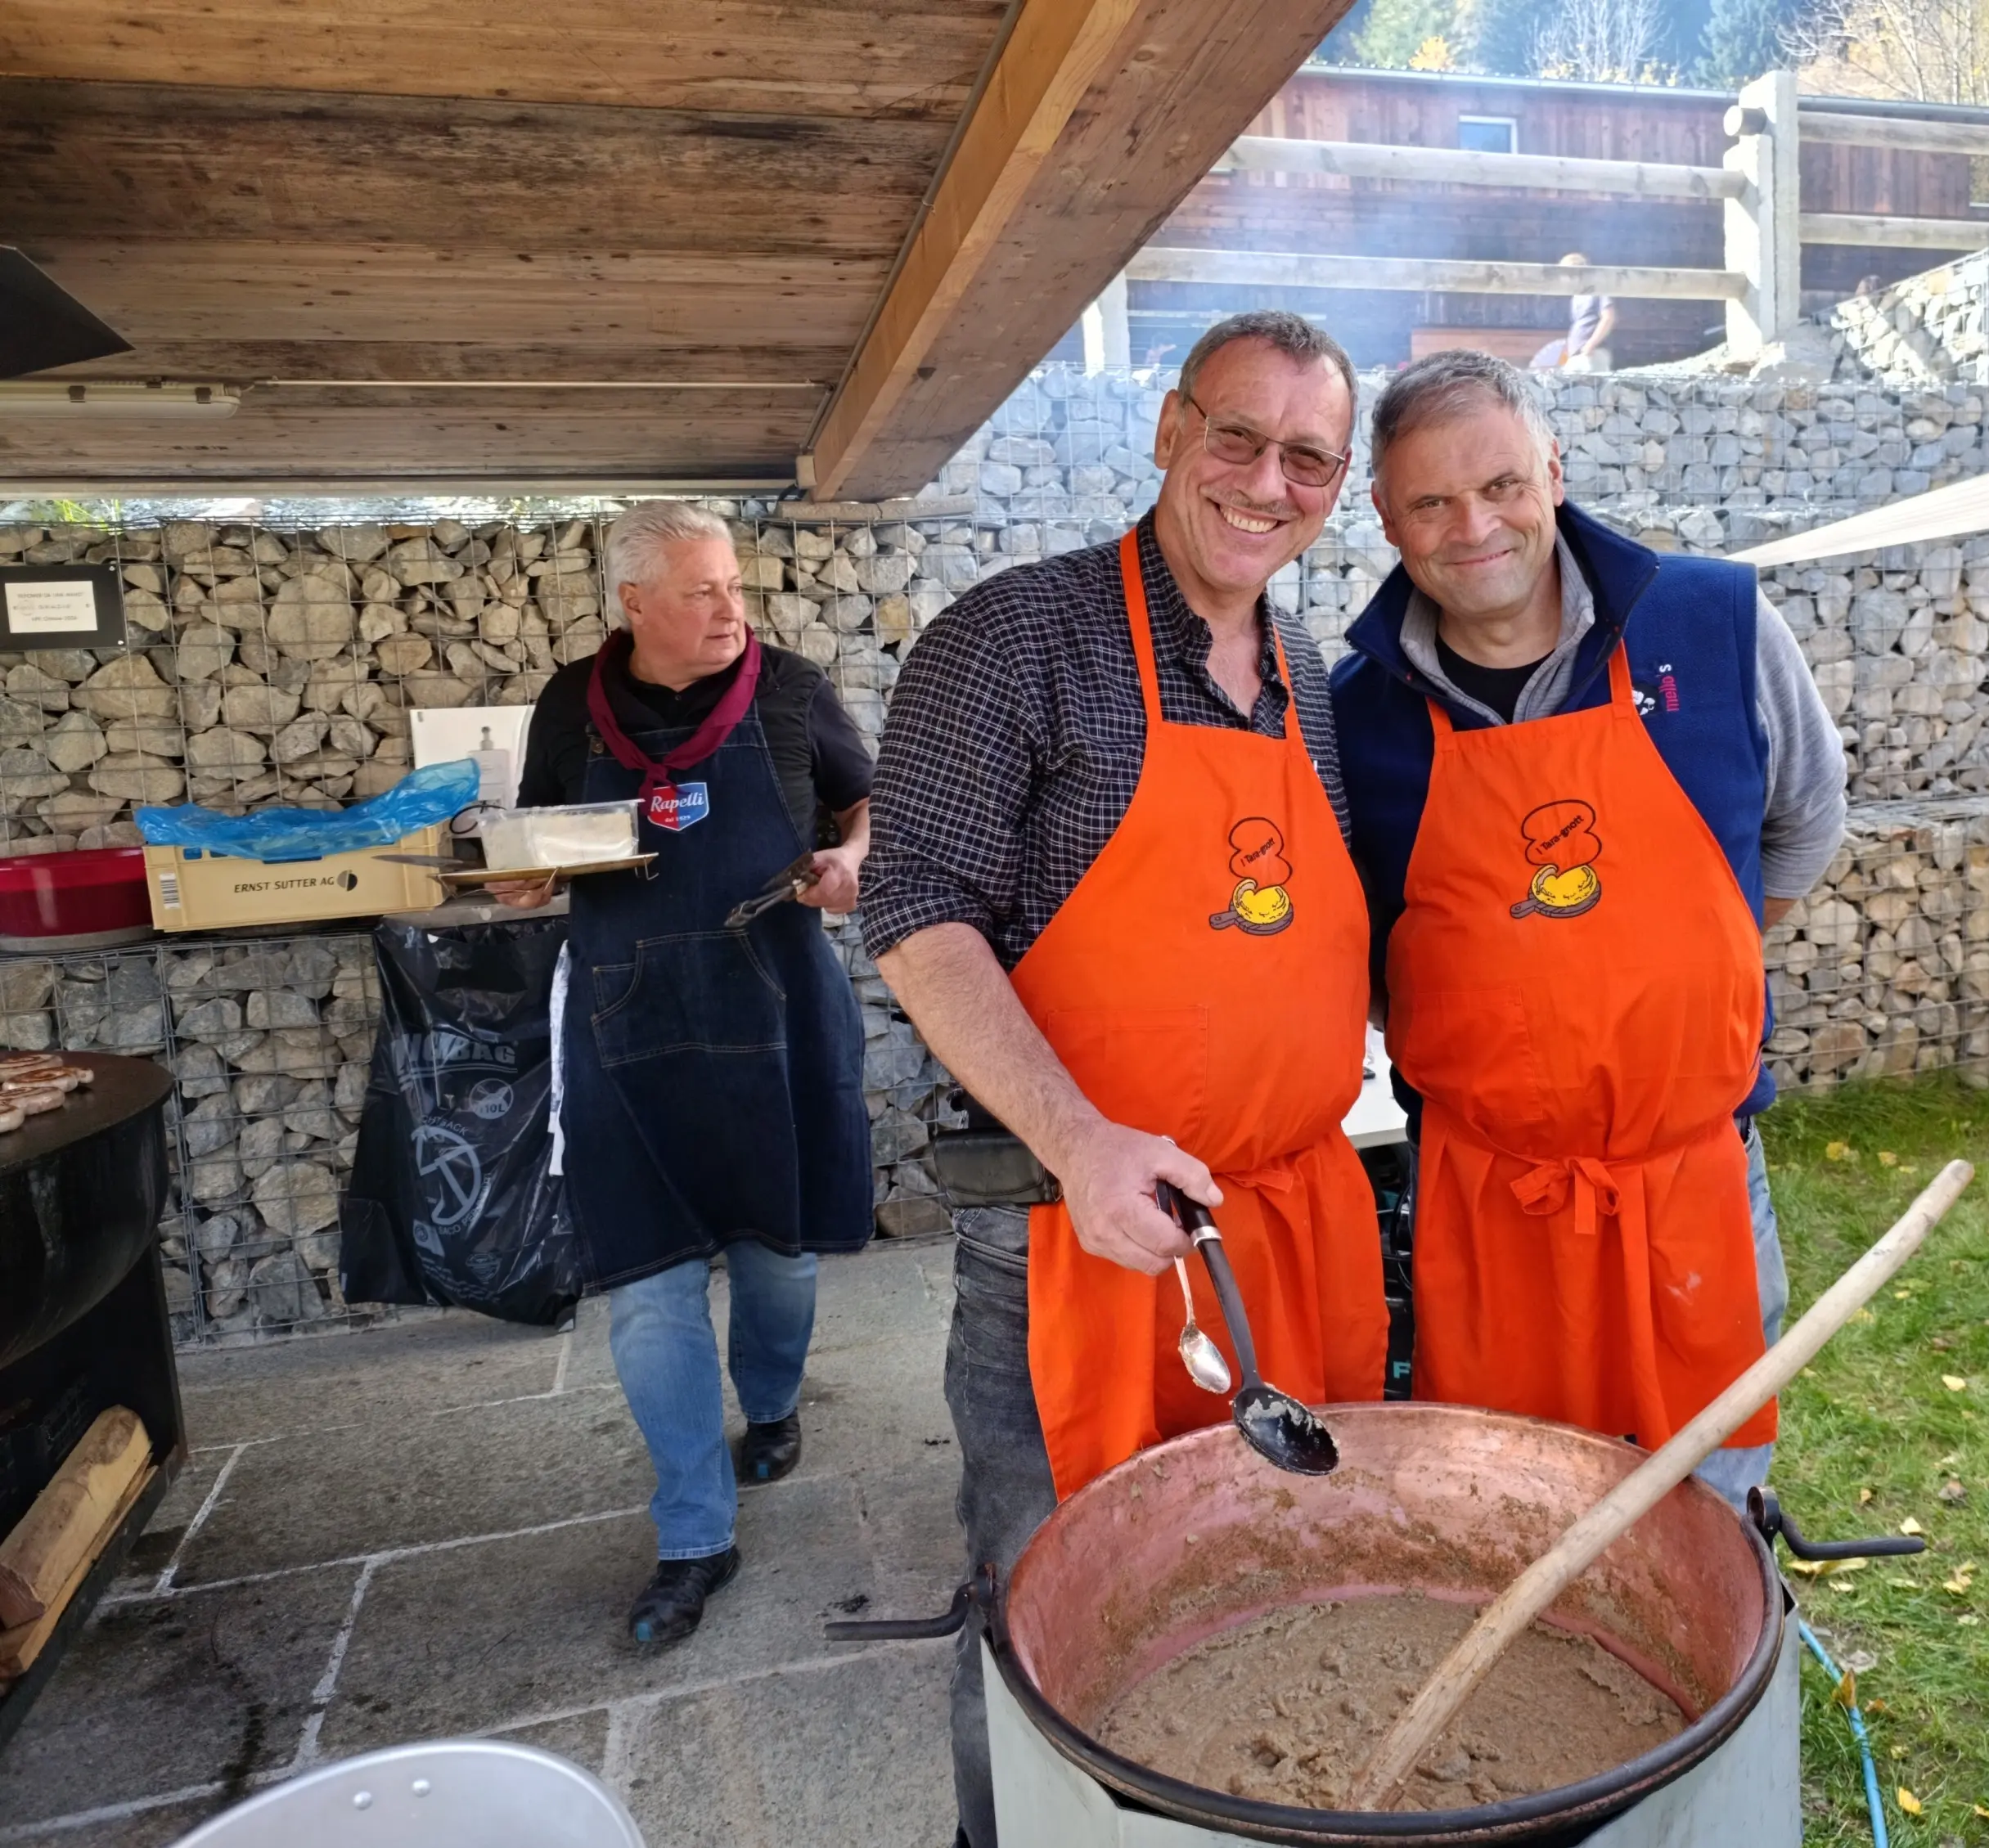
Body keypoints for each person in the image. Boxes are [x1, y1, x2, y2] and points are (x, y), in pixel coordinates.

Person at [862, 311, 1387, 1848]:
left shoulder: (1303, 663)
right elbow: (917, 912)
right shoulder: (1014, 637)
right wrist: (1083, 1139)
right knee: (1055, 1605)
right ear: (1168, 429)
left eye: (1310, 456)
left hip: (1285, 1227)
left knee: (1264, 1581)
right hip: (1068, 1237)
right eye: (1239, 436)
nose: (1268, 481)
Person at [1330, 349, 1846, 1509]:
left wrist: (1673, 966)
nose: (1475, 526)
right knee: (1509, 1503)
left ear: (1554, 472)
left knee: (1704, 1510)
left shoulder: (1714, 623)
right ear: (1385, 515)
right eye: (1433, 500)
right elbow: (1360, 948)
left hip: (1692, 1186)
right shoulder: (1355, 714)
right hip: (1486, 1202)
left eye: (1503, 484)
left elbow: (1806, 818)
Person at [489, 501, 875, 1646]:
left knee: (779, 1258)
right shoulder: (572, 705)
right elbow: (540, 840)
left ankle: (771, 1402)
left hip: (776, 999)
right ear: (635, 604)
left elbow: (864, 803)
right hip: (626, 1012)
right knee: (648, 1287)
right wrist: (521, 880)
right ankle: (693, 1538)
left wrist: (848, 861)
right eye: (701, 589)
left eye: (733, 585)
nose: (729, 606)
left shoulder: (794, 688)